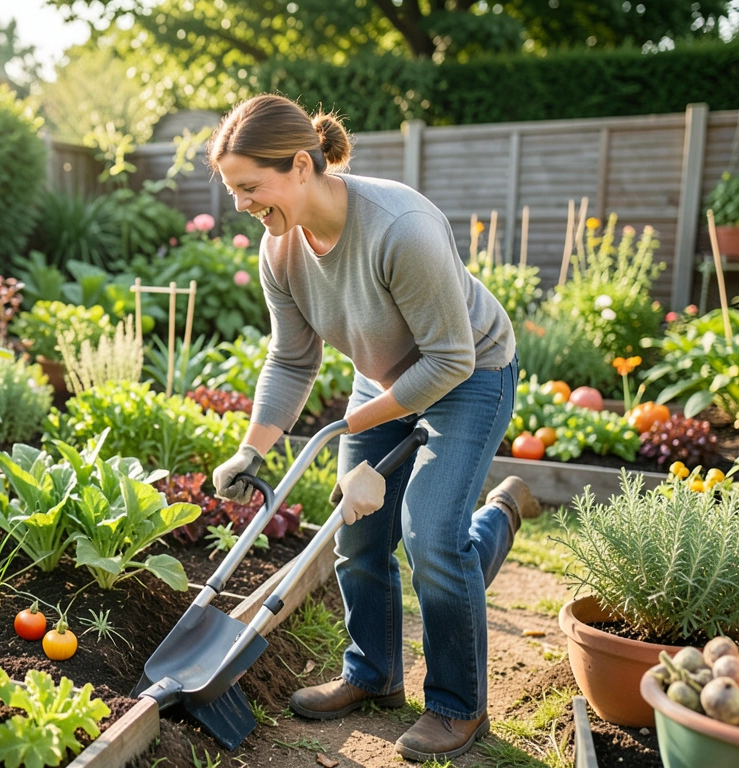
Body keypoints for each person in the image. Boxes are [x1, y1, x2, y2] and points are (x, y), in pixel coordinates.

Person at [207, 94, 541, 762]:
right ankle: (373, 674)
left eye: (250, 187)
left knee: (430, 536)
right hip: (385, 380)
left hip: (468, 375)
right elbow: (292, 357)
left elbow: (451, 357)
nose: (241, 205)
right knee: (357, 537)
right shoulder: (282, 252)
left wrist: (349, 428)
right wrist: (253, 447)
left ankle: (457, 705)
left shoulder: (400, 228)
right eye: (233, 190)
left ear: (301, 165)